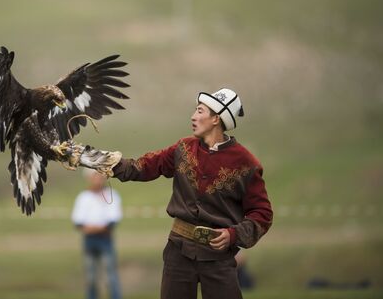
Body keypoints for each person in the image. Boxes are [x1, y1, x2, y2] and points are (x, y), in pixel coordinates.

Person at [109, 88, 273, 299]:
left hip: (219, 258)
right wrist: (103, 161)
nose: (193, 116)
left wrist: (234, 235)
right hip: (178, 251)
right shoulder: (183, 148)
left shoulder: (246, 163)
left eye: (199, 111)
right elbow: (144, 166)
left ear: (216, 118)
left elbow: (262, 213)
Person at [71, 168, 123, 299]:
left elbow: (113, 221)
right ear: (88, 178)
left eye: (100, 176)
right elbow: (78, 222)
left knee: (111, 276)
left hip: (105, 240)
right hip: (89, 241)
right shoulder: (83, 197)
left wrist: (92, 228)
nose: (98, 179)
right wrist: (95, 228)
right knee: (91, 277)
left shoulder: (111, 195)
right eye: (94, 176)